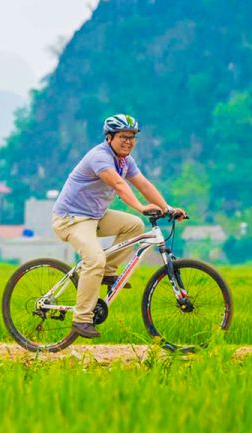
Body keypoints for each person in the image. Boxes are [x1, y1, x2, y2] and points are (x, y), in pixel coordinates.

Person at [51, 114, 186, 339]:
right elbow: (118, 184)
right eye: (123, 137)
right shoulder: (99, 157)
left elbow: (142, 184)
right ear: (109, 137)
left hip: (95, 216)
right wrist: (141, 207)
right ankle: (82, 319)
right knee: (94, 259)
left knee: (134, 225)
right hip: (71, 218)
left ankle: (106, 272)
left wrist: (167, 207)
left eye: (132, 137)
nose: (128, 142)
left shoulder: (125, 161)